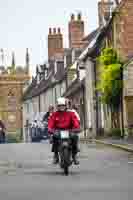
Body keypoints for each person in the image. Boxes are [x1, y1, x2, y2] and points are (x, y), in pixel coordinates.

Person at [48, 97, 80, 165]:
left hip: (69, 130)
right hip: (58, 131)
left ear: (66, 106)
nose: (61, 107)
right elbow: (51, 122)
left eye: (63, 105)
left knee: (75, 137)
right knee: (54, 138)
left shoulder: (71, 113)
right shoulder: (54, 114)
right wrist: (50, 129)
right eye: (60, 106)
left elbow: (75, 121)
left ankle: (74, 155)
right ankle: (56, 155)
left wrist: (76, 127)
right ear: (57, 106)